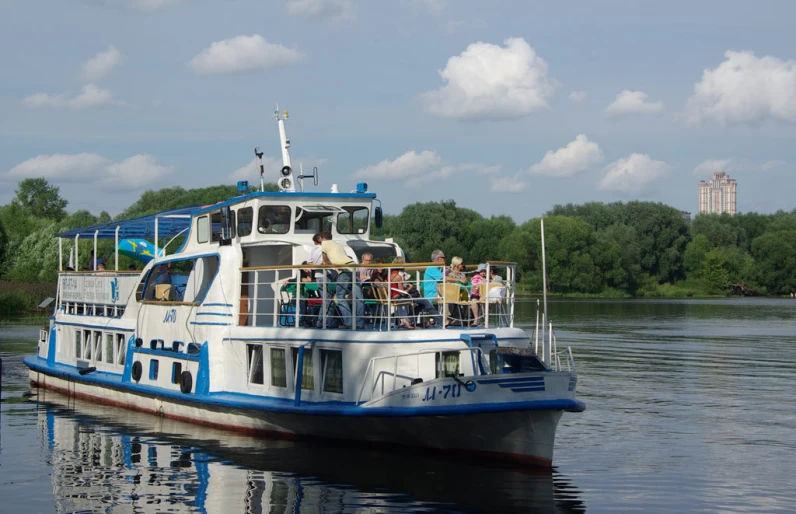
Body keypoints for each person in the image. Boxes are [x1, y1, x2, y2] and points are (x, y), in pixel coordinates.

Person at [322, 238, 365, 329]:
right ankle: (360, 323)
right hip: (354, 268)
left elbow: (325, 262)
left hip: (345, 270)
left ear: (322, 239)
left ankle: (349, 322)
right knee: (358, 297)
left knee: (340, 297)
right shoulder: (338, 246)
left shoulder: (325, 244)